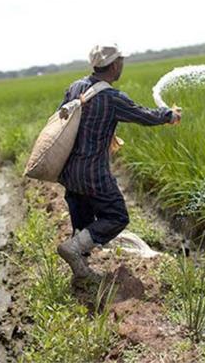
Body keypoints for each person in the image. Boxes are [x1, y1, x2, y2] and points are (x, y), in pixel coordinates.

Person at [56, 43, 182, 283]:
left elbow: (64, 119)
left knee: (83, 222)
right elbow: (144, 115)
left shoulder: (75, 87)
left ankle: (80, 273)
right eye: (121, 61)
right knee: (116, 216)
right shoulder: (111, 97)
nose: (122, 65)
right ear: (114, 65)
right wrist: (170, 115)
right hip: (93, 173)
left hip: (70, 172)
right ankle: (73, 249)